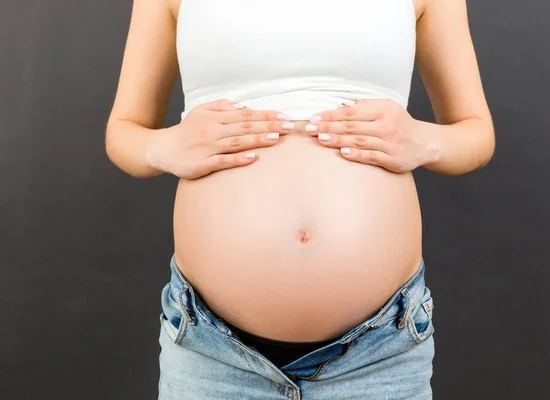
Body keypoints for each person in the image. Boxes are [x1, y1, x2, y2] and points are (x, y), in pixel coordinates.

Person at [105, 0, 495, 398]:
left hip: (380, 356)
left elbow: (477, 134)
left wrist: (423, 140)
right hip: (212, 356)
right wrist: (164, 146)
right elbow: (123, 131)